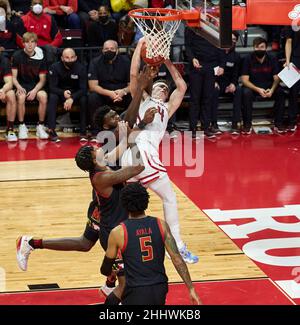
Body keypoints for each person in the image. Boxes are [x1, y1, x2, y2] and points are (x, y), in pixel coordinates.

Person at [121, 38, 199, 264]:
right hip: (142, 151)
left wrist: (166, 60)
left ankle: (127, 247)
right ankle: (177, 245)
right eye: (160, 86)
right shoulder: (142, 99)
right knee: (170, 198)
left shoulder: (167, 107)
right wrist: (138, 47)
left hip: (134, 154)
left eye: (166, 88)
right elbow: (134, 75)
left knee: (131, 202)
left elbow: (181, 86)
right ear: (151, 89)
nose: (164, 88)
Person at [101, 182, 202, 305]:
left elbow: (105, 269)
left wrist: (113, 272)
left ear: (124, 204)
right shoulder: (161, 225)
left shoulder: (118, 232)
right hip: (160, 288)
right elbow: (177, 259)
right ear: (146, 202)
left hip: (136, 290)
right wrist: (191, 289)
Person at [185, 26, 226, 139]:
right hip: (196, 66)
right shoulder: (190, 27)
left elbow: (221, 46)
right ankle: (192, 128)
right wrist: (192, 58)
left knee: (208, 98)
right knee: (195, 98)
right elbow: (187, 45)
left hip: (211, 66)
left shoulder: (215, 26)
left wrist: (222, 65)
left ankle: (206, 127)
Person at [241, 37, 286, 134]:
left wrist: (272, 90)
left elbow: (276, 78)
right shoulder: (247, 59)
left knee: (280, 92)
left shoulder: (272, 58)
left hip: (269, 86)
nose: (259, 49)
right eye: (257, 47)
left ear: (266, 48)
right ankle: (247, 124)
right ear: (253, 48)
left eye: (262, 47)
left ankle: (278, 123)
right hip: (253, 87)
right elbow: (244, 80)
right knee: (246, 93)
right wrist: (258, 89)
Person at [88, 39, 131, 137]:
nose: (109, 51)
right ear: (102, 50)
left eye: (112, 48)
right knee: (92, 97)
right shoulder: (95, 62)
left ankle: (129, 128)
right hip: (104, 94)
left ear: (117, 50)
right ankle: (96, 131)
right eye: (106, 49)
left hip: (122, 94)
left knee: (133, 97)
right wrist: (110, 93)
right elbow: (93, 86)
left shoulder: (126, 61)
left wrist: (123, 91)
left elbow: (132, 84)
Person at [12, 31, 49, 140]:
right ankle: (22, 125)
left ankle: (40, 126)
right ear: (23, 43)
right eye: (27, 42)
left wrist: (34, 91)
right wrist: (18, 87)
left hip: (36, 85)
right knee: (21, 96)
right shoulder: (17, 56)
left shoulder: (41, 56)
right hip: (21, 85)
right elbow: (13, 77)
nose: (30, 44)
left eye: (32, 42)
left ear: (36, 44)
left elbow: (42, 80)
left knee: (43, 96)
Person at [47, 47, 87, 142]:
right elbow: (52, 87)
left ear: (76, 57)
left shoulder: (81, 68)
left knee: (84, 99)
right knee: (52, 97)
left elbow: (83, 89)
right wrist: (63, 93)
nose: (70, 59)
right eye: (67, 57)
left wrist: (72, 98)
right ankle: (51, 130)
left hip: (76, 94)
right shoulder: (54, 67)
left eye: (72, 57)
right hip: (60, 92)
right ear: (62, 58)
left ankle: (83, 131)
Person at [211, 32, 242, 134]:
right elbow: (211, 69)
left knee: (239, 90)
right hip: (217, 83)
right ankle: (213, 124)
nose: (232, 41)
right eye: (230, 38)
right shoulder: (216, 52)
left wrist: (233, 83)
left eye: (234, 39)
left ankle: (235, 124)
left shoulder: (237, 56)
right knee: (213, 90)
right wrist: (214, 82)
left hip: (229, 85)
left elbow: (236, 73)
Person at [284, 26, 300, 132]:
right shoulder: (293, 23)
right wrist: (288, 61)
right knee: (293, 92)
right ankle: (292, 120)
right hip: (296, 59)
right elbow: (289, 41)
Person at [0, 51, 17, 141]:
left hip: (2, 88)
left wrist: (2, 90)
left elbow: (9, 83)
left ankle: (10, 129)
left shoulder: (4, 61)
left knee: (11, 95)